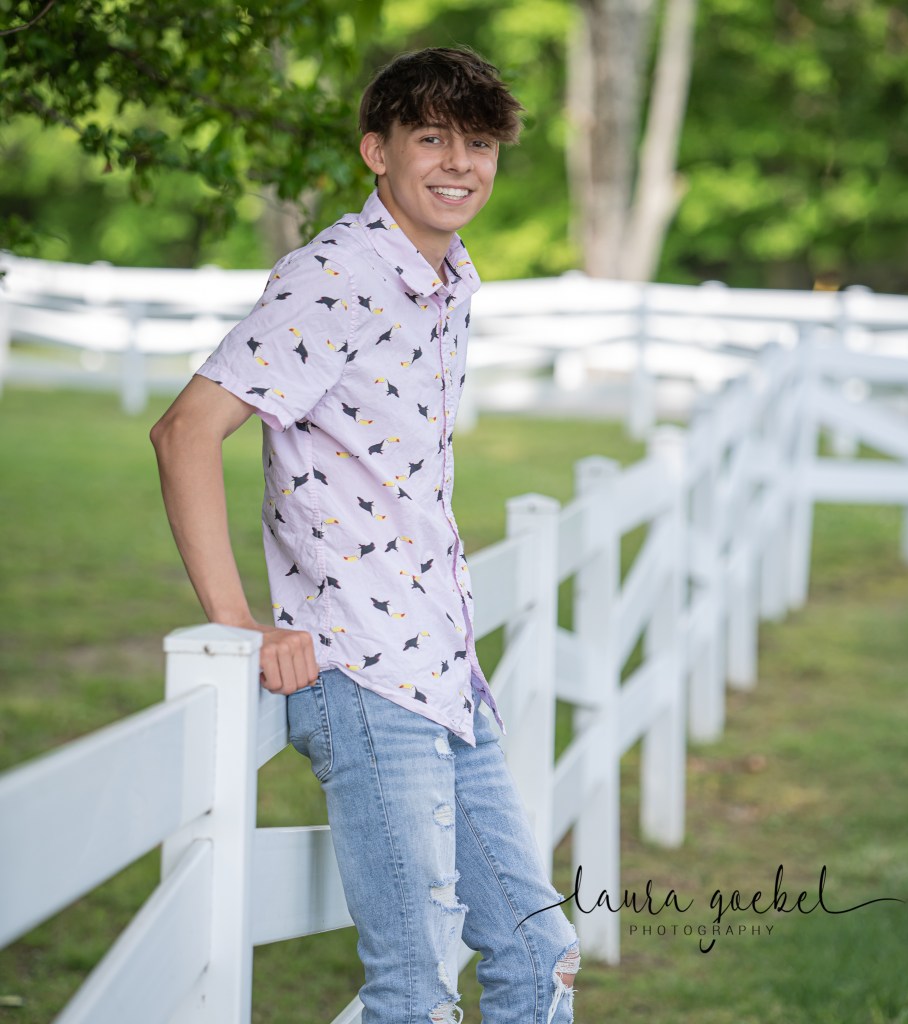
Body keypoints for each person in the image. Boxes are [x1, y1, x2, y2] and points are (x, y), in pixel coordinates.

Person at [150, 46, 580, 1024]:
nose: (460, 163)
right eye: (432, 138)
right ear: (376, 151)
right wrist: (237, 621)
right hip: (365, 674)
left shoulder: (447, 277)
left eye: (479, 144)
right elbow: (186, 432)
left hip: (444, 669)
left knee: (539, 952)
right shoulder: (337, 274)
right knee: (415, 991)